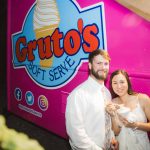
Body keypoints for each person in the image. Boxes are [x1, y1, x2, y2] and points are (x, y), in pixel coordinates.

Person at [65, 49, 118, 150]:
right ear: (89, 66)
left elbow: (106, 121)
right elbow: (76, 133)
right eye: (99, 63)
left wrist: (112, 139)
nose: (103, 67)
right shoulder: (78, 95)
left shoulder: (106, 93)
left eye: (106, 64)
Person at [106, 69, 150, 150]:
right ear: (111, 85)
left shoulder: (143, 99)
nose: (119, 86)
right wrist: (113, 115)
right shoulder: (112, 103)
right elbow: (116, 132)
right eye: (115, 83)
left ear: (128, 82)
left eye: (122, 82)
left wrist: (135, 125)